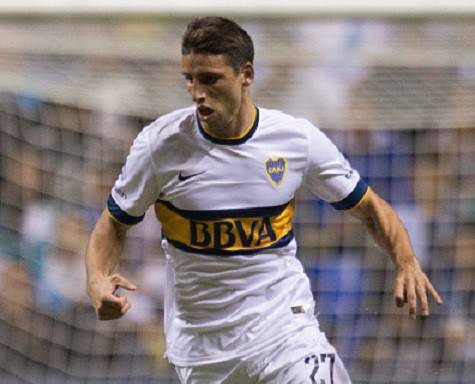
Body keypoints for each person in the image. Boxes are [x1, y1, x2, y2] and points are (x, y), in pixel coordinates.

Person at [85, 17, 443, 384]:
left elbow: (369, 207)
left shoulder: (295, 140)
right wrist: (97, 279)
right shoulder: (159, 146)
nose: (196, 93)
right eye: (189, 80)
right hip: (204, 349)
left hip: (285, 331)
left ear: (247, 74)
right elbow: (114, 222)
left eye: (210, 79)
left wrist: (406, 259)